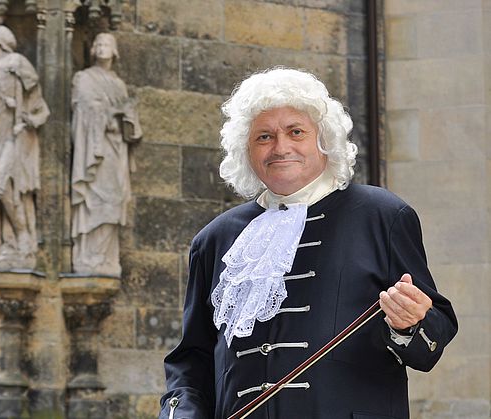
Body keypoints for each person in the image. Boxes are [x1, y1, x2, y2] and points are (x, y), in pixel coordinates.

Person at [159, 68, 457, 419]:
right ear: (247, 150)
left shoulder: (382, 214)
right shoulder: (215, 239)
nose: (280, 147)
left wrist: (410, 323)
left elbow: (433, 339)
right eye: (264, 137)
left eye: (295, 132)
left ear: (324, 141)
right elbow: (192, 359)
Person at [0, 25, 49, 271]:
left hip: (11, 136)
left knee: (1, 184)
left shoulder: (16, 63)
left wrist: (30, 120)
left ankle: (22, 234)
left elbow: (40, 106)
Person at [70, 32, 142, 276]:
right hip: (95, 149)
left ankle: (105, 257)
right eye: (98, 43)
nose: (102, 48)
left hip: (115, 149)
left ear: (114, 51)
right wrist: (109, 115)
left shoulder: (118, 85)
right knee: (94, 196)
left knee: (113, 196)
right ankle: (88, 256)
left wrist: (127, 118)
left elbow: (130, 125)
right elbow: (84, 109)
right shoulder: (84, 78)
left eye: (107, 45)